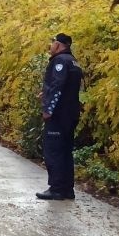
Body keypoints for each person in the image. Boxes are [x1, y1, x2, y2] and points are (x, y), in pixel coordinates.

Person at [37, 33, 84, 200]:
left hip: (59, 115)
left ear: (58, 44)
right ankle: (67, 189)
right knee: (66, 151)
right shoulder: (74, 62)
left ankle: (56, 189)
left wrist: (48, 109)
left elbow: (57, 87)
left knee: (54, 150)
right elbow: (74, 89)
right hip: (71, 114)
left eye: (52, 43)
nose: (50, 46)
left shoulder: (59, 61)